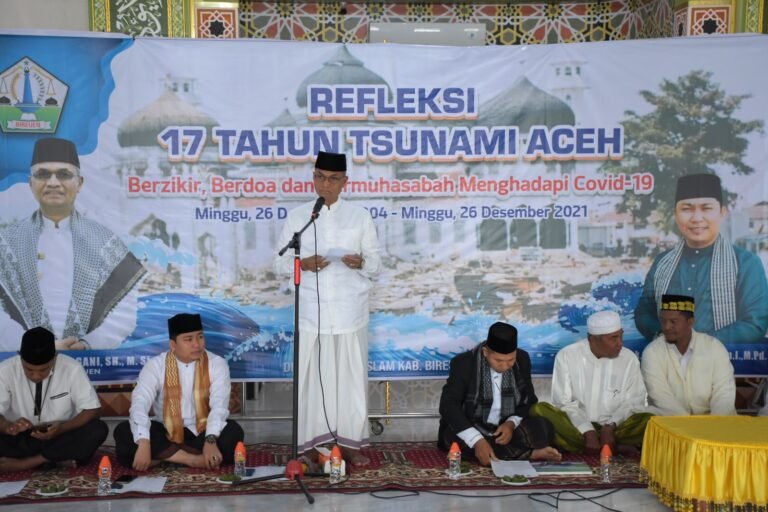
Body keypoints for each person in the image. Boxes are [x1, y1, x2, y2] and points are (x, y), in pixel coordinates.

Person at [273, 151, 381, 465]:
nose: (326, 184)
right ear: (314, 178)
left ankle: (349, 444)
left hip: (350, 311)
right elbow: (278, 262)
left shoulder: (360, 216)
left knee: (348, 380)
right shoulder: (299, 218)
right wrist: (301, 263)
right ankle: (309, 444)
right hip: (311, 311)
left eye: (333, 178)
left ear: (345, 182)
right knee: (311, 378)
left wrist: (361, 261)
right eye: (320, 176)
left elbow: (376, 264)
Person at [0, 137, 146, 351]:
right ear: (31, 183)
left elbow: (124, 312)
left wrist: (88, 345)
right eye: (43, 174)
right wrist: (33, 345)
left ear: (79, 183)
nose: (53, 183)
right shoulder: (7, 242)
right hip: (23, 361)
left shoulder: (104, 241)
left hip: (87, 362)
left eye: (64, 174)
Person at [634, 173, 768, 345]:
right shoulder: (662, 263)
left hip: (725, 366)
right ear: (675, 214)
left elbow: (755, 323)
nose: (697, 218)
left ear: (722, 212)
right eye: (687, 209)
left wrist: (697, 343)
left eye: (706, 208)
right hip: (668, 363)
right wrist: (663, 334)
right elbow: (644, 313)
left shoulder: (745, 263)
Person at [113, 313, 244, 470]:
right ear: (173, 345)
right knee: (124, 431)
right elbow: (139, 404)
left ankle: (167, 458)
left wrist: (210, 440)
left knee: (233, 432)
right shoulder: (155, 366)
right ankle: (192, 460)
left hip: (202, 431)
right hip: (165, 431)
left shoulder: (217, 364)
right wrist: (144, 442)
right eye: (188, 339)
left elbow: (219, 407)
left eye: (200, 337)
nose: (197, 344)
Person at [438, 322, 561, 466]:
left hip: (505, 431)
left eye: (510, 360)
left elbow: (529, 401)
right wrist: (477, 440)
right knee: (453, 440)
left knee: (544, 427)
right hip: (472, 425)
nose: (505, 366)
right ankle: (530, 453)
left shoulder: (522, 359)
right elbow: (448, 405)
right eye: (498, 360)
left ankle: (500, 452)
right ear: (485, 352)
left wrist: (511, 423)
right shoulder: (464, 363)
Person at [530, 311, 651, 455]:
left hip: (616, 428)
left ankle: (583, 446)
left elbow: (634, 402)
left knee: (650, 419)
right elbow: (563, 403)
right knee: (538, 410)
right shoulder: (567, 356)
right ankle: (614, 447)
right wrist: (588, 431)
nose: (620, 343)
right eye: (614, 338)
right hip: (576, 428)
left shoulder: (629, 359)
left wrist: (609, 427)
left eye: (621, 335)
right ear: (592, 339)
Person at [0, 327, 107, 472]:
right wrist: (8, 426)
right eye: (29, 369)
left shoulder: (72, 368)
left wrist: (63, 428)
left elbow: (93, 410)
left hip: (59, 435)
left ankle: (29, 462)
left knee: (97, 429)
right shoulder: (5, 370)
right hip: (21, 438)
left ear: (55, 357)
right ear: (20, 356)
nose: (36, 376)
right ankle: (55, 461)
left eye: (43, 370)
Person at [641, 295, 737, 416]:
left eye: (673, 322)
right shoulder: (652, 352)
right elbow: (660, 396)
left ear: (690, 322)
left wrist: (715, 425)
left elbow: (724, 394)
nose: (666, 327)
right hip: (671, 424)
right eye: (663, 321)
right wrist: (689, 426)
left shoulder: (714, 348)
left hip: (714, 425)